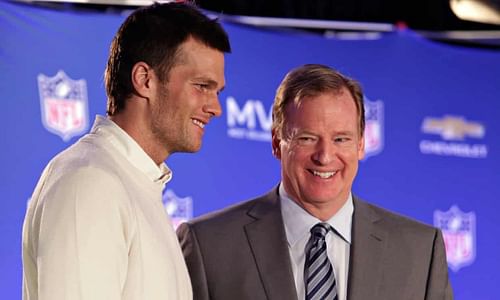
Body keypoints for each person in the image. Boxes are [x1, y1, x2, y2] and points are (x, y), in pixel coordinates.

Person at [177, 64, 453, 300]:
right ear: (277, 143)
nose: (325, 156)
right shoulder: (209, 245)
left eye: (341, 139)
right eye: (307, 138)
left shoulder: (420, 251)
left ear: (360, 145)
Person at [22, 2, 230, 300]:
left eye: (217, 91)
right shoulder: (91, 182)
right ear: (145, 80)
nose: (215, 108)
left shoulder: (133, 181)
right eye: (201, 86)